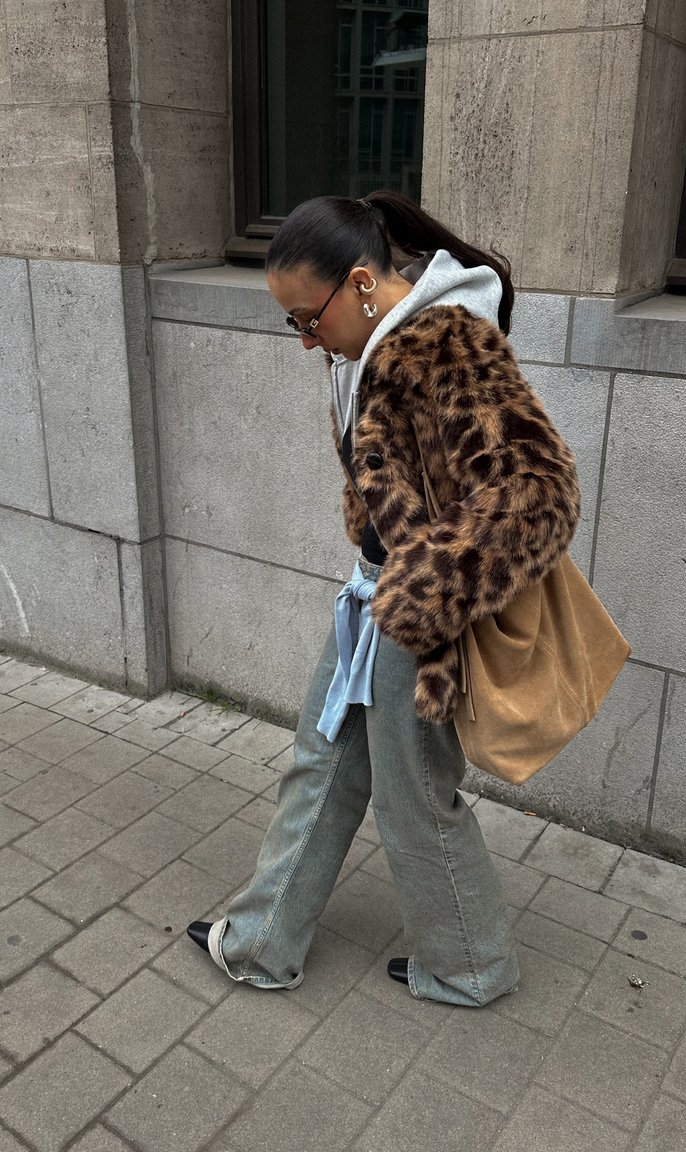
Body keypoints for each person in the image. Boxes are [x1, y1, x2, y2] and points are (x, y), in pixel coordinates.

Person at [186, 191, 580, 1007]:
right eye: (290, 324)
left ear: (362, 283)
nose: (304, 340)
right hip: (375, 599)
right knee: (324, 761)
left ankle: (471, 966)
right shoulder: (372, 348)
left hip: (413, 616)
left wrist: (418, 595)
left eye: (306, 318)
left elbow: (540, 493)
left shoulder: (447, 347)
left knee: (413, 798)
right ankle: (263, 942)